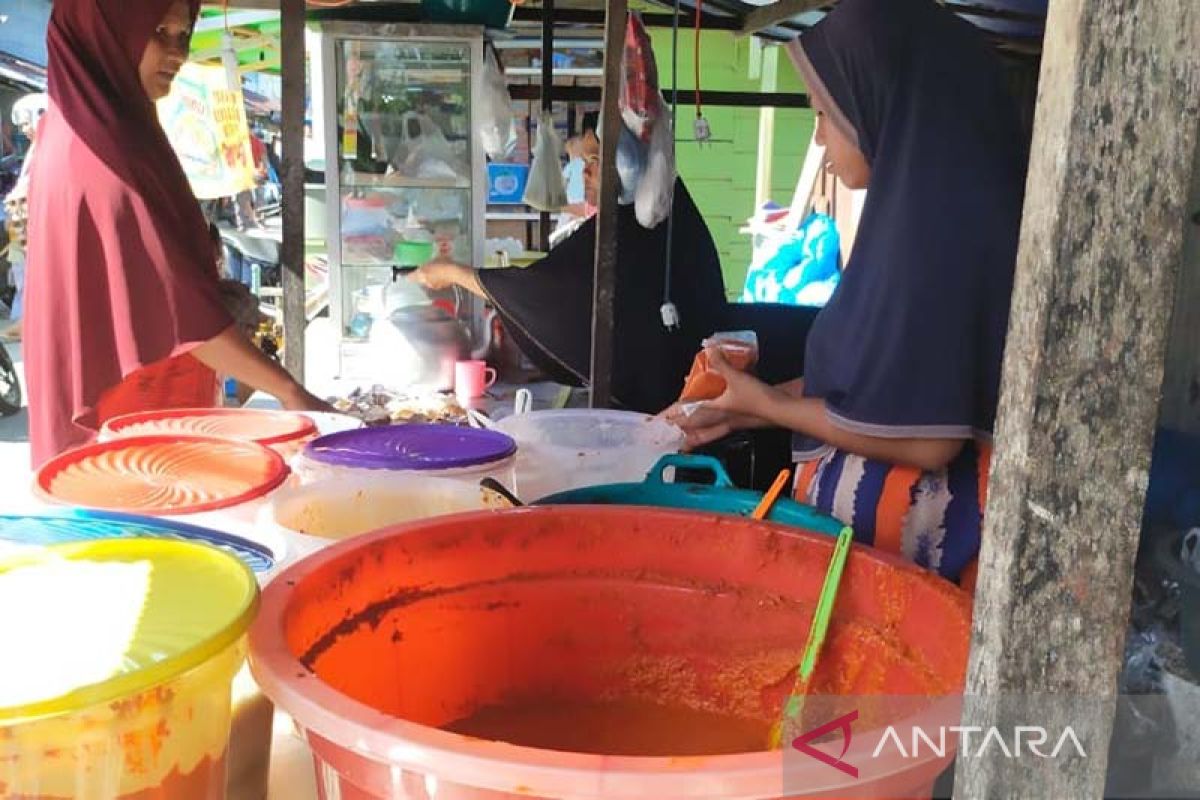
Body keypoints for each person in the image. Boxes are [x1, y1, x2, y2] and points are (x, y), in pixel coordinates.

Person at [664, 0, 1028, 587]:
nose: (820, 142)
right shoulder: (913, 219)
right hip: (878, 557)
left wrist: (771, 407)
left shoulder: (941, 231)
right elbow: (880, 383)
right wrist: (746, 405)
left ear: (880, 105)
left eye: (823, 116)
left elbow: (932, 439)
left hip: (919, 567)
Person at [24, 0, 330, 467]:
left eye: (183, 35)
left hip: (147, 422)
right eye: (158, 33)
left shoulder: (100, 126)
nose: (177, 52)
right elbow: (177, 310)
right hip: (128, 438)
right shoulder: (98, 154)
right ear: (104, 36)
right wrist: (289, 391)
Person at [410, 139, 728, 414]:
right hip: (671, 397)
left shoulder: (638, 228)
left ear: (631, 167)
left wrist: (452, 272)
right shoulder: (653, 216)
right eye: (584, 161)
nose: (585, 172)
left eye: (595, 159)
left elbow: (546, 291)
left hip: (677, 405)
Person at [2, 93, 48, 342]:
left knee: (34, 276)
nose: (25, 130)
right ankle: (25, 321)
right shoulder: (37, 148)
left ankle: (31, 323)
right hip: (21, 226)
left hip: (35, 226)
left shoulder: (49, 148)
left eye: (27, 124)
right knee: (22, 275)